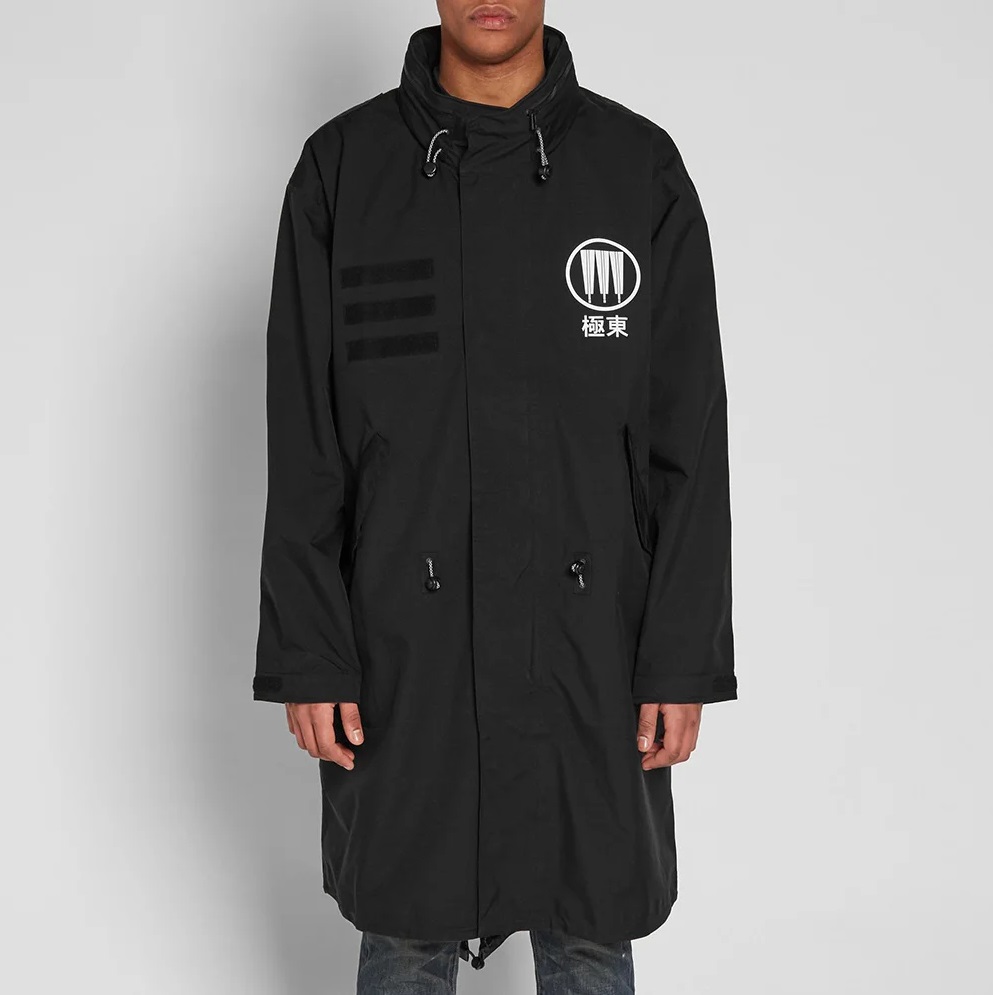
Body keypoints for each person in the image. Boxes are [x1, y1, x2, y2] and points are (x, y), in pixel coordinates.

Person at [253, 2, 736, 991]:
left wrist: (681, 656)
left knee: (591, 918)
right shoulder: (345, 171)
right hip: (403, 643)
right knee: (406, 921)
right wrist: (310, 652)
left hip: (594, 642)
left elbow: (688, 440)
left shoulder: (635, 169)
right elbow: (305, 439)